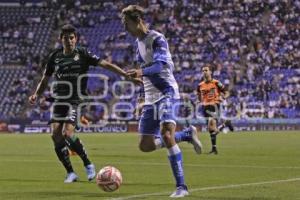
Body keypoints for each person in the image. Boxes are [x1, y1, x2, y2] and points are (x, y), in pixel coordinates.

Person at [28, 24, 138, 183]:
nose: (69, 41)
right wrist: (36, 94)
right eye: (66, 38)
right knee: (55, 135)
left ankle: (88, 164)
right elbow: (45, 78)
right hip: (59, 100)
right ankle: (71, 173)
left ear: (76, 39)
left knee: (67, 133)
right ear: (61, 40)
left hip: (76, 99)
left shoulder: (83, 53)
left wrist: (124, 75)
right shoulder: (55, 56)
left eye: (71, 38)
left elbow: (105, 64)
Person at [122, 5, 202, 198]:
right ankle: (186, 135)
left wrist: (140, 72)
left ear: (137, 21)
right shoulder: (137, 45)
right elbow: (145, 77)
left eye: (126, 23)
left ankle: (182, 187)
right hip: (150, 98)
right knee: (145, 146)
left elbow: (159, 66)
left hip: (167, 92)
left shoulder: (157, 39)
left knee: (167, 135)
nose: (125, 28)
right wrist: (142, 98)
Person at [197, 64, 234, 155]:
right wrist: (200, 101)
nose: (204, 72)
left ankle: (225, 124)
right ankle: (214, 148)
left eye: (206, 70)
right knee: (211, 130)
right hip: (205, 107)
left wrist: (223, 97)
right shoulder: (200, 85)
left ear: (210, 72)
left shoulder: (216, 83)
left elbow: (226, 92)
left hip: (214, 105)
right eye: (203, 71)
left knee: (211, 126)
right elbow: (198, 95)